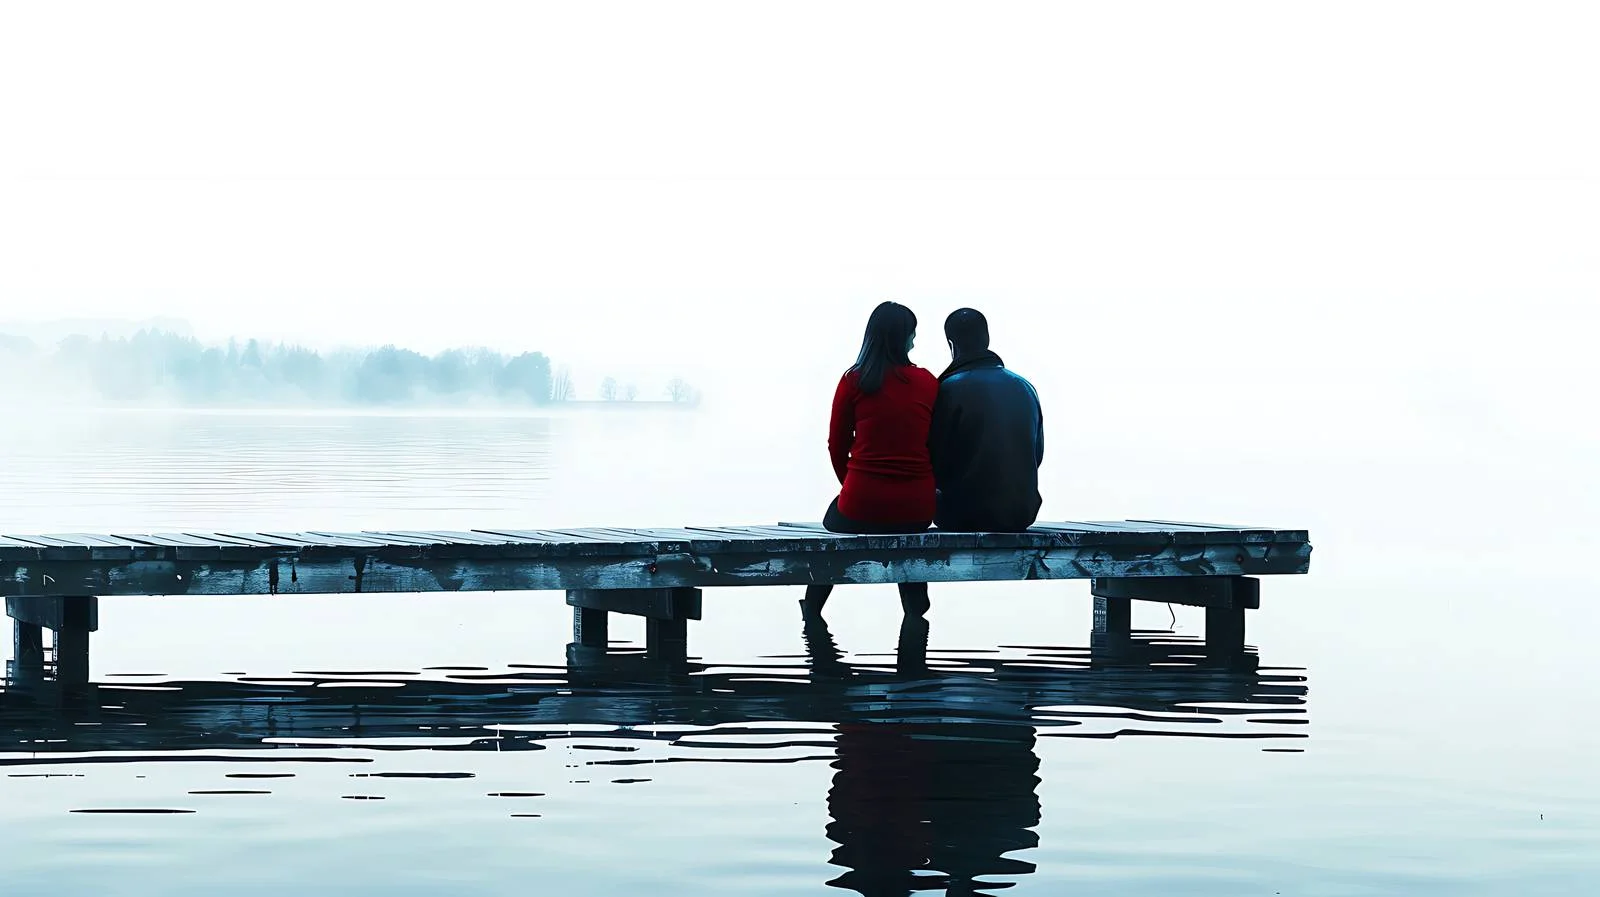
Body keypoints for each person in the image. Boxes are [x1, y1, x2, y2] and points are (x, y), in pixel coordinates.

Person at [801, 300, 939, 619]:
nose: (915, 340)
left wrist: (854, 487)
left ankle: (812, 609)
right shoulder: (928, 382)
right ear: (903, 337)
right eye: (912, 333)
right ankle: (915, 603)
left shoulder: (854, 381)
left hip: (861, 503)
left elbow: (836, 446)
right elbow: (936, 445)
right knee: (904, 532)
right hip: (917, 509)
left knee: (832, 523)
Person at [929, 308, 1044, 533]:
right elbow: (1036, 454)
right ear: (987, 338)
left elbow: (934, 462)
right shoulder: (1025, 387)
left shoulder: (946, 390)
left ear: (952, 345)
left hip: (962, 516)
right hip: (1022, 513)